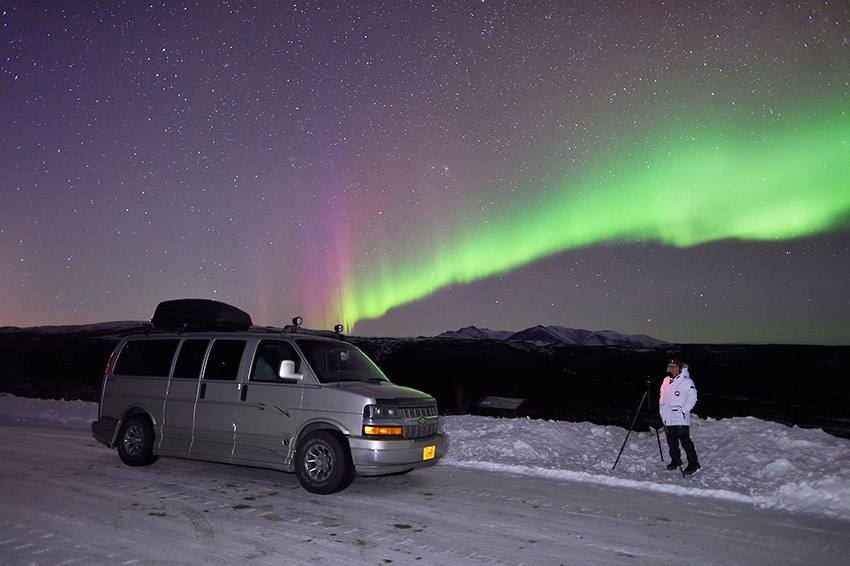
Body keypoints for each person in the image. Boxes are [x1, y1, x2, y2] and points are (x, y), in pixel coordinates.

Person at [659, 359, 700, 475]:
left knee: (685, 440)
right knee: (671, 441)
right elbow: (663, 397)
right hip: (669, 416)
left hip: (680, 416)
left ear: (679, 368)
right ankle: (676, 460)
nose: (672, 369)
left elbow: (692, 398)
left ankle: (693, 463)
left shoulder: (686, 381)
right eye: (670, 367)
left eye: (674, 367)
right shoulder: (667, 381)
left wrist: (684, 411)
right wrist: (662, 411)